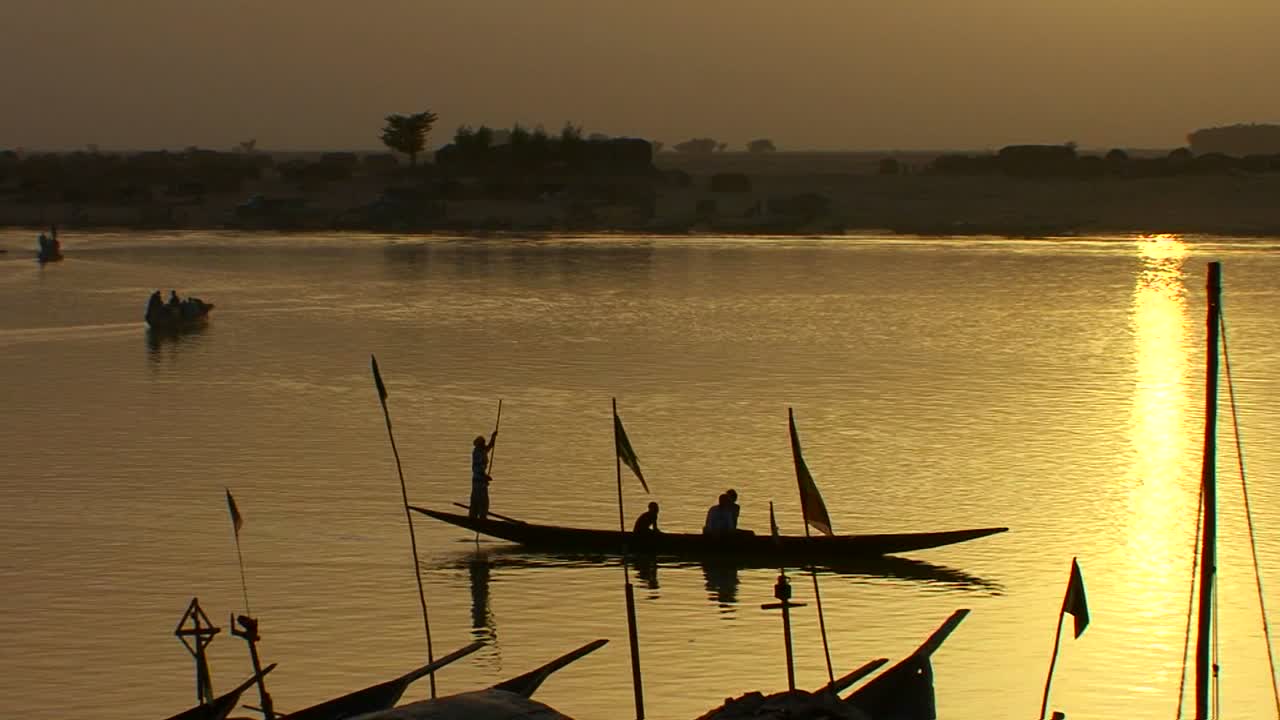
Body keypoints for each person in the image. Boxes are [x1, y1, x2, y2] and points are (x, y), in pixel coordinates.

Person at [469, 430, 497, 519]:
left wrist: (493, 437)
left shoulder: (482, 451)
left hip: (480, 481)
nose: (484, 445)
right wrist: (485, 477)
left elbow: (490, 446)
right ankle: (477, 516)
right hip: (478, 481)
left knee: (479, 500)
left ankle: (478, 516)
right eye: (483, 443)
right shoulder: (477, 453)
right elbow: (477, 469)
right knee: (481, 501)